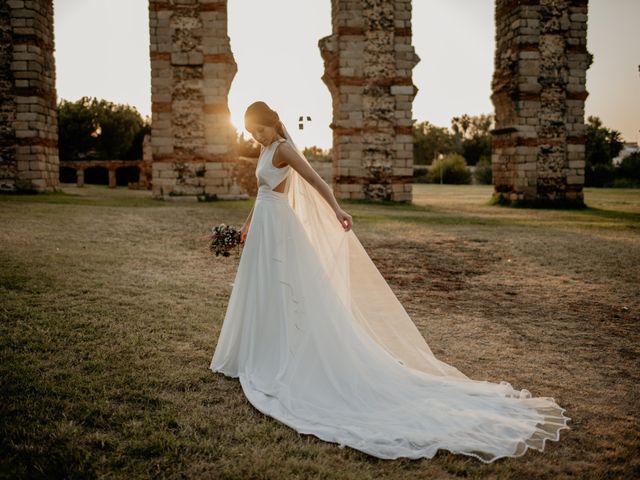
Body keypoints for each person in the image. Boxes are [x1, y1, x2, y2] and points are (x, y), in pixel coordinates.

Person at [210, 101, 570, 463]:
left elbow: (315, 181)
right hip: (263, 228)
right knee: (261, 292)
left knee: (289, 292)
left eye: (261, 130)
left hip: (281, 230)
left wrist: (337, 209)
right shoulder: (264, 150)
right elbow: (263, 195)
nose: (257, 137)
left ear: (273, 123)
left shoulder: (284, 148)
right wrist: (244, 229)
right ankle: (258, 352)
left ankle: (284, 358)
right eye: (252, 133)